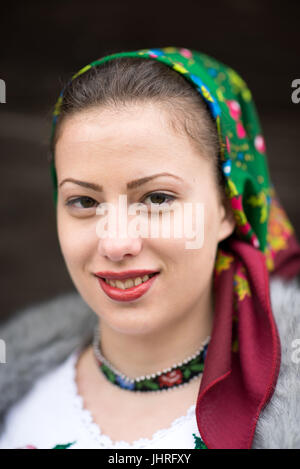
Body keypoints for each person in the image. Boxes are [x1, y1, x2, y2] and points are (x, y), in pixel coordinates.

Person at [1, 46, 300, 450]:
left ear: (230, 208)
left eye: (157, 198)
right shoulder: (19, 400)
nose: (116, 242)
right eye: (85, 202)